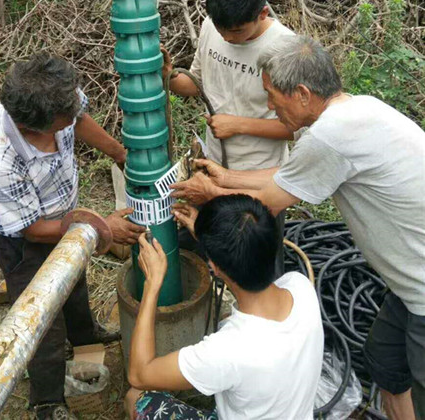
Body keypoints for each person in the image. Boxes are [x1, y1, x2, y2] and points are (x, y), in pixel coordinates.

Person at [172, 36, 425, 420]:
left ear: (303, 94)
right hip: (409, 285)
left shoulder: (330, 135)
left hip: (422, 289)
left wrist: (211, 195)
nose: (270, 106)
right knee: (385, 361)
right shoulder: (356, 112)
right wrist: (225, 177)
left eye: (273, 96)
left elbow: (271, 199)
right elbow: (291, 175)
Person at [0, 54, 145, 420]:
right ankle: (47, 401)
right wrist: (100, 228)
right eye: (64, 121)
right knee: (41, 319)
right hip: (26, 243)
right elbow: (32, 229)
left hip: (64, 218)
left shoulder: (56, 95)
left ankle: (86, 336)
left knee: (75, 282)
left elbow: (79, 117)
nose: (74, 118)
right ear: (36, 126)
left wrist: (119, 154)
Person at [125, 194, 324, 420]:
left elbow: (139, 374)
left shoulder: (227, 351)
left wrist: (152, 284)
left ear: (214, 267)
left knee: (136, 397)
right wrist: (215, 242)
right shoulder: (300, 287)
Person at [162, 0, 294, 271]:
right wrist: (167, 76)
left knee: (260, 268)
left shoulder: (285, 49)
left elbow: (295, 128)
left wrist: (238, 124)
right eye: (221, 30)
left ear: (262, 14)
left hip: (259, 179)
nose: (226, 37)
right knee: (217, 258)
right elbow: (196, 83)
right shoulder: (214, 26)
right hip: (213, 168)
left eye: (235, 32)